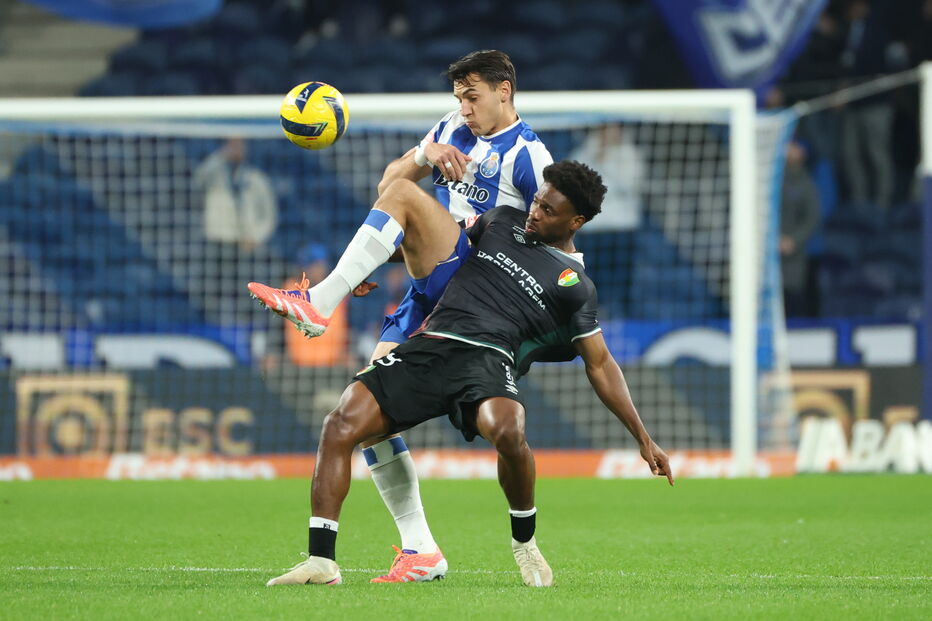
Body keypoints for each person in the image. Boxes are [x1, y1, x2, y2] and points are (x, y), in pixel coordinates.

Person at [260, 161, 674, 588]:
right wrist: (374, 263)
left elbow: (600, 364)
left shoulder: (576, 286)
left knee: (509, 428)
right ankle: (322, 562)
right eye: (536, 201)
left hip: (489, 360)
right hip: (433, 343)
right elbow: (432, 242)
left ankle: (525, 543)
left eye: (548, 210)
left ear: (576, 221)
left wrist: (644, 438)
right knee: (341, 422)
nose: (534, 212)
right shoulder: (500, 220)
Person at [249, 50, 553, 582]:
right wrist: (426, 152)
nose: (464, 106)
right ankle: (420, 550)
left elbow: (552, 237)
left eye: (473, 95)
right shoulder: (451, 130)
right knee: (366, 418)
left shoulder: (529, 157)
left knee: (407, 199)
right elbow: (390, 184)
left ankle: (320, 301)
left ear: (505, 91)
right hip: (427, 290)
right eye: (458, 96)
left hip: (477, 284)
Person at [263, 243, 350, 368]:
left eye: (320, 265)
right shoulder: (288, 291)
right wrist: (273, 352)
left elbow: (347, 326)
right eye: (314, 266)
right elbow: (276, 327)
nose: (318, 270)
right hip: (298, 365)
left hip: (332, 364)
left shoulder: (337, 290)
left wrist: (348, 351)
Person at [194, 137, 278, 251]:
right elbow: (198, 179)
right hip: (216, 240)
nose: (236, 148)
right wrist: (221, 155)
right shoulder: (214, 173)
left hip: (244, 242)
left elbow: (269, 214)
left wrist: (256, 236)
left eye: (239, 144)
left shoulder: (257, 179)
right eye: (232, 144)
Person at [780, 141, 821, 317]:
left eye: (793, 147)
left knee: (793, 300)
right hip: (769, 253)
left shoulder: (805, 184)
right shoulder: (773, 179)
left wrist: (793, 240)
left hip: (794, 256)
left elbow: (812, 218)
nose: (788, 150)